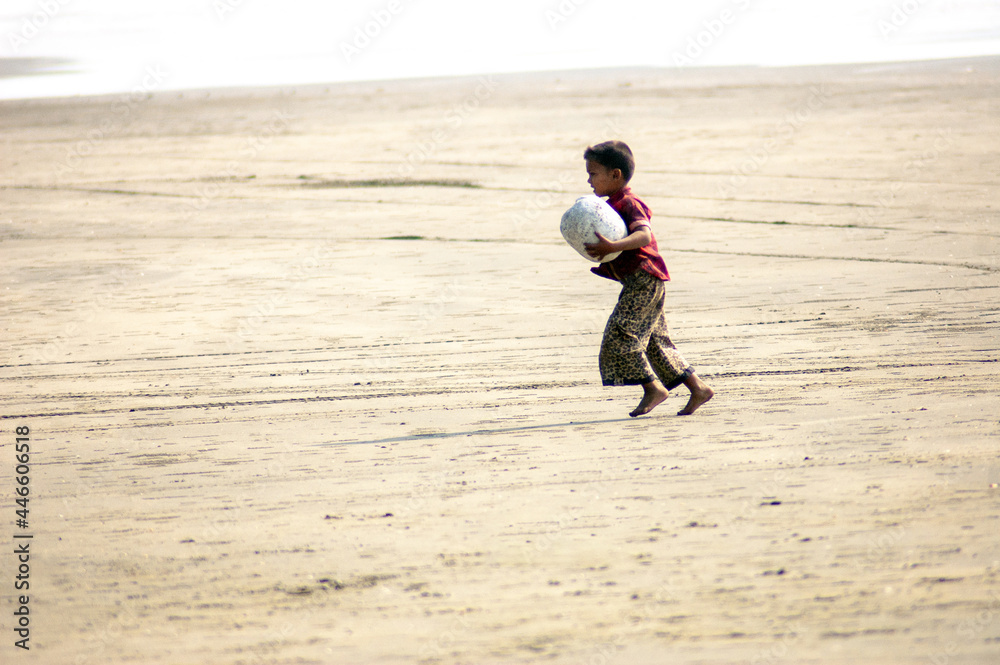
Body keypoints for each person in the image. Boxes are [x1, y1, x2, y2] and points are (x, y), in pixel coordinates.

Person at [582, 140, 714, 417]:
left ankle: (653, 387)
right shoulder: (611, 206)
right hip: (639, 281)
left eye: (593, 173)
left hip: (645, 279)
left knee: (621, 335)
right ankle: (698, 388)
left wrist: (612, 248)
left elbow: (644, 235)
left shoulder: (629, 203)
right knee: (655, 342)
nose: (588, 179)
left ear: (615, 174)